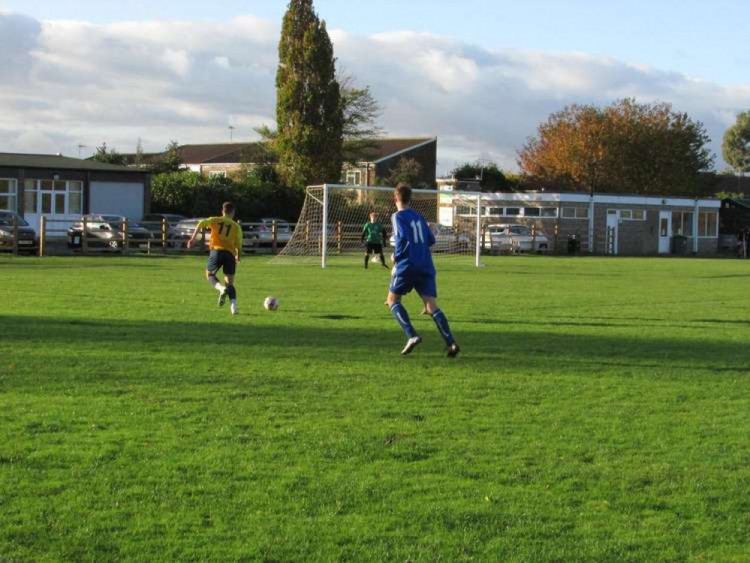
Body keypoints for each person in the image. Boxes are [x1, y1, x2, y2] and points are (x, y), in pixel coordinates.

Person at [386, 184, 460, 357]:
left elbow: (402, 238)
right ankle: (451, 343)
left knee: (392, 300)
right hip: (426, 264)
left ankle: (411, 335)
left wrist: (395, 257)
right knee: (431, 306)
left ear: (395, 198)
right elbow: (431, 240)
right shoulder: (419, 217)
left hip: (407, 264)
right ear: (410, 199)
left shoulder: (397, 216)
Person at [187, 202, 243, 315]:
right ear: (233, 213)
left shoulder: (215, 220)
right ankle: (234, 307)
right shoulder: (236, 226)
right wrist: (238, 255)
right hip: (230, 255)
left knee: (209, 274)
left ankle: (221, 289)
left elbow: (200, 223)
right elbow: (239, 243)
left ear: (222, 211)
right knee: (230, 283)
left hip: (217, 251)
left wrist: (192, 239)